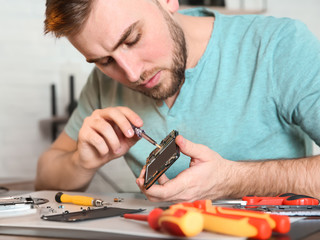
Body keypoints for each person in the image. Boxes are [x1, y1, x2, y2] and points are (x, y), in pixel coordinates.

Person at [35, 0, 320, 202]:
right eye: (105, 60)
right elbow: (45, 181)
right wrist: (81, 163)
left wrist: (233, 179)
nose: (131, 73)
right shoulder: (103, 83)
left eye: (132, 39)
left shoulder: (279, 46)